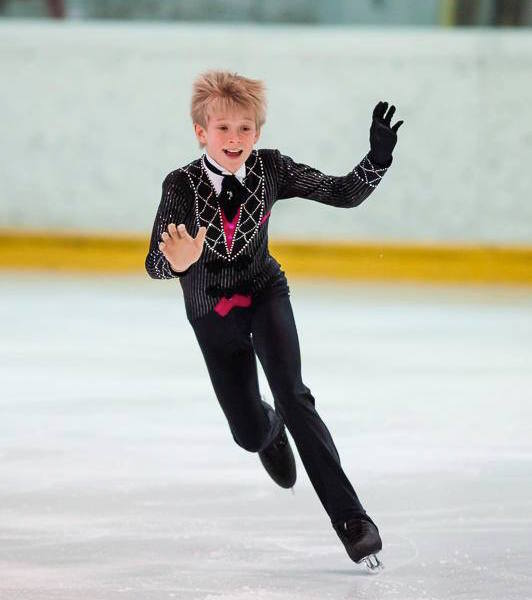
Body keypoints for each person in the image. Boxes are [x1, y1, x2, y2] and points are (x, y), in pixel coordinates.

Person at [145, 70, 403, 571]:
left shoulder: (271, 169)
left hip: (264, 294)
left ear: (257, 133)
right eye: (223, 129)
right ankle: (269, 428)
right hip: (211, 313)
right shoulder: (180, 185)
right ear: (201, 132)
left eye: (245, 129)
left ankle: (354, 522)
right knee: (247, 432)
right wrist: (177, 261)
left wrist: (378, 160)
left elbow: (343, 193)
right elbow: (156, 263)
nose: (234, 139)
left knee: (295, 394)